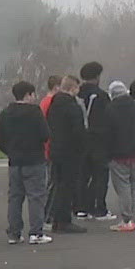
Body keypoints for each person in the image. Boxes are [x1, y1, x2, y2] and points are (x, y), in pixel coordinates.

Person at [0, 80, 51, 245]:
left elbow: (0, 138)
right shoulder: (35, 112)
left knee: (15, 197)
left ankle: (14, 233)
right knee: (36, 197)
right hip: (34, 159)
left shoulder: (6, 113)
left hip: (15, 161)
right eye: (33, 94)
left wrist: (10, 151)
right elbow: (45, 134)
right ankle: (36, 232)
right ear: (28, 95)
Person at [44, 75, 88, 235]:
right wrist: (83, 147)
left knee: (58, 185)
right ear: (73, 88)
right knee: (68, 187)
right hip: (71, 152)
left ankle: (56, 218)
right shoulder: (72, 106)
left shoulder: (54, 105)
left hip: (56, 149)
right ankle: (64, 221)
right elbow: (78, 131)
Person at [105, 80, 135, 232]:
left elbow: (108, 133)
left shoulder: (110, 108)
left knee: (122, 187)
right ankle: (132, 215)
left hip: (118, 153)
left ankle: (126, 218)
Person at [77, 62, 113, 220]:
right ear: (97, 76)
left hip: (80, 141)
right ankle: (99, 208)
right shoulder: (101, 96)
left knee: (83, 175)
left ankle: (81, 208)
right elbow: (108, 119)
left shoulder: (76, 94)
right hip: (99, 141)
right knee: (100, 175)